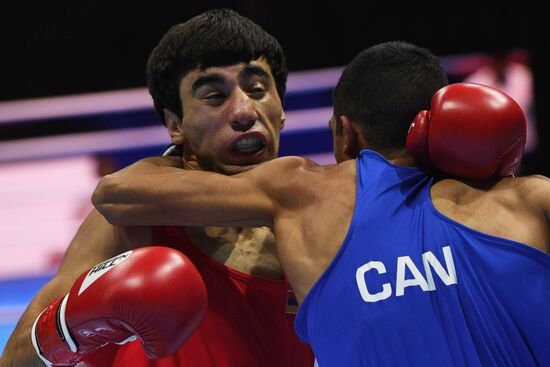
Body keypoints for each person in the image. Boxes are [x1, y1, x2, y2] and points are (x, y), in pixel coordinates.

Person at [93, 41, 550, 366]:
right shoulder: (531, 202)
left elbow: (118, 193)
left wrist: (188, 143)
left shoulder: (305, 195)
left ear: (345, 133)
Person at [0, 8, 314, 367]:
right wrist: (71, 321)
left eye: (257, 90)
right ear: (175, 124)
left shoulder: (316, 217)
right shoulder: (134, 219)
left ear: (282, 108)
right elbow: (14, 360)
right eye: (214, 96)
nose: (243, 111)